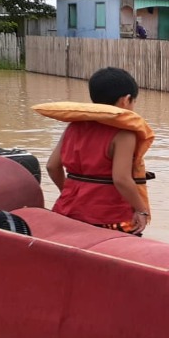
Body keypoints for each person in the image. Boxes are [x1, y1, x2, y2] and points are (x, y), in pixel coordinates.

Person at [45, 67, 153, 235]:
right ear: (126, 100)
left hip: (68, 210)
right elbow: (121, 179)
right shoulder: (124, 133)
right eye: (134, 102)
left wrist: (69, 192)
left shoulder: (74, 126)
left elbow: (52, 166)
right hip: (110, 217)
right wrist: (141, 210)